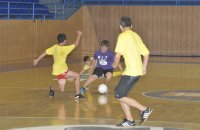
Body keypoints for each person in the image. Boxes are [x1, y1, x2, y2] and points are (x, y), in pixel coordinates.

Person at [112, 16, 153, 127]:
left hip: (132, 71)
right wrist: (144, 67)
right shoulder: (136, 36)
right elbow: (146, 53)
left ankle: (144, 109)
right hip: (133, 70)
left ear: (121, 27)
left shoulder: (122, 36)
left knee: (118, 95)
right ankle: (130, 120)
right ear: (131, 26)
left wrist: (114, 65)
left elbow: (117, 56)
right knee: (120, 93)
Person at [33, 31, 85, 100]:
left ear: (57, 40)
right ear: (65, 41)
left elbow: (45, 52)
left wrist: (37, 60)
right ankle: (52, 88)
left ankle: (78, 94)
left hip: (64, 70)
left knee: (77, 75)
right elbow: (76, 44)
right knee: (62, 90)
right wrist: (79, 35)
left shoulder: (55, 47)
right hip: (59, 72)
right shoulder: (65, 49)